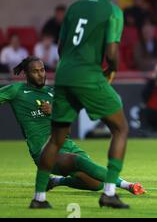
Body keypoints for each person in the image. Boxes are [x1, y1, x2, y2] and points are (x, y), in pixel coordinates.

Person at [31, 0, 130, 209]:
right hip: (88, 75)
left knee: (56, 138)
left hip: (64, 74)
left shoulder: (74, 7)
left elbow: (61, 48)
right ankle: (108, 193)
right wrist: (111, 69)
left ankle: (39, 198)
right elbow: (112, 52)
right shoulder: (113, 11)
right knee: (120, 129)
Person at [0, 57, 145, 196]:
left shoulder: (53, 93)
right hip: (44, 151)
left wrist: (54, 112)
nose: (40, 74)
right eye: (35, 71)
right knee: (78, 161)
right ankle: (128, 185)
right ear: (26, 73)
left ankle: (56, 181)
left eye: (42, 70)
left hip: (67, 145)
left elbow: (67, 129)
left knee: (96, 184)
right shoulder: (17, 91)